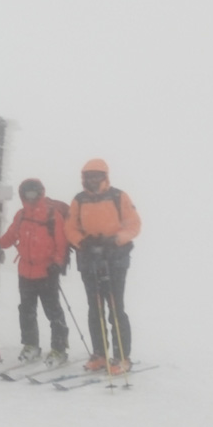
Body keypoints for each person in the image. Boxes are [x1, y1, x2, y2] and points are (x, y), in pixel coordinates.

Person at [64, 159, 141, 375]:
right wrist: (82, 243)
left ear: (105, 176)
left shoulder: (118, 196)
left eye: (97, 175)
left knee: (116, 307)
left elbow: (134, 224)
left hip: (115, 260)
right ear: (83, 178)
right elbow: (70, 227)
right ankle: (99, 353)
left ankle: (122, 356)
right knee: (94, 307)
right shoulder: (79, 200)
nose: (93, 180)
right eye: (89, 176)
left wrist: (115, 240)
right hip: (89, 259)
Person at [0, 179, 70, 367]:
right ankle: (31, 345)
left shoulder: (52, 215)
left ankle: (59, 348)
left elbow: (61, 243)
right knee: (26, 311)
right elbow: (11, 236)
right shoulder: (21, 215)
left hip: (47, 271)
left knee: (53, 311)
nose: (30, 198)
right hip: (25, 272)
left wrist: (57, 263)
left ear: (40, 193)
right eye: (27, 194)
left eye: (34, 194)